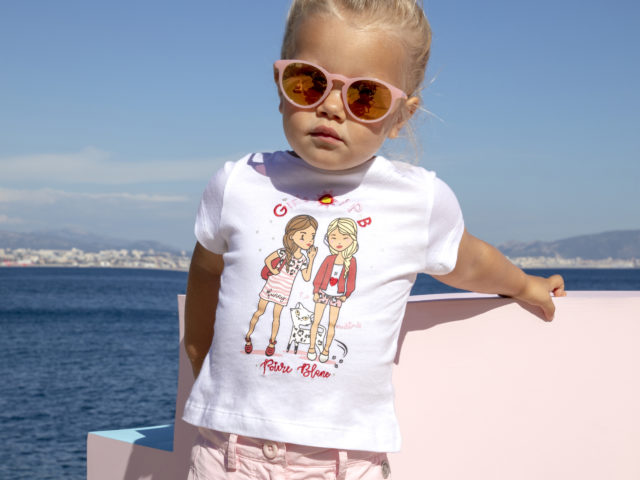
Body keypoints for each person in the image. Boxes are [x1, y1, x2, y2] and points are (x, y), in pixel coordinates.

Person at [183, 1, 566, 479]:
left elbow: (468, 261)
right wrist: (197, 350)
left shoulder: (418, 200)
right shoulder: (238, 183)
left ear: (401, 116)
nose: (330, 106)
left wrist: (524, 285)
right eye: (309, 82)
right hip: (228, 455)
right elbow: (208, 268)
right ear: (281, 86)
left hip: (345, 463)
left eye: (365, 96)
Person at [245, 214, 318, 356]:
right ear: (291, 236)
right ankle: (248, 336)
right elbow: (268, 260)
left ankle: (272, 342)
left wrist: (311, 259)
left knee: (276, 317)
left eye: (312, 236)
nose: (309, 240)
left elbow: (307, 277)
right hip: (272, 285)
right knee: (259, 311)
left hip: (284, 290)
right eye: (303, 236)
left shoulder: (303, 259)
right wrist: (273, 270)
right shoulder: (284, 252)